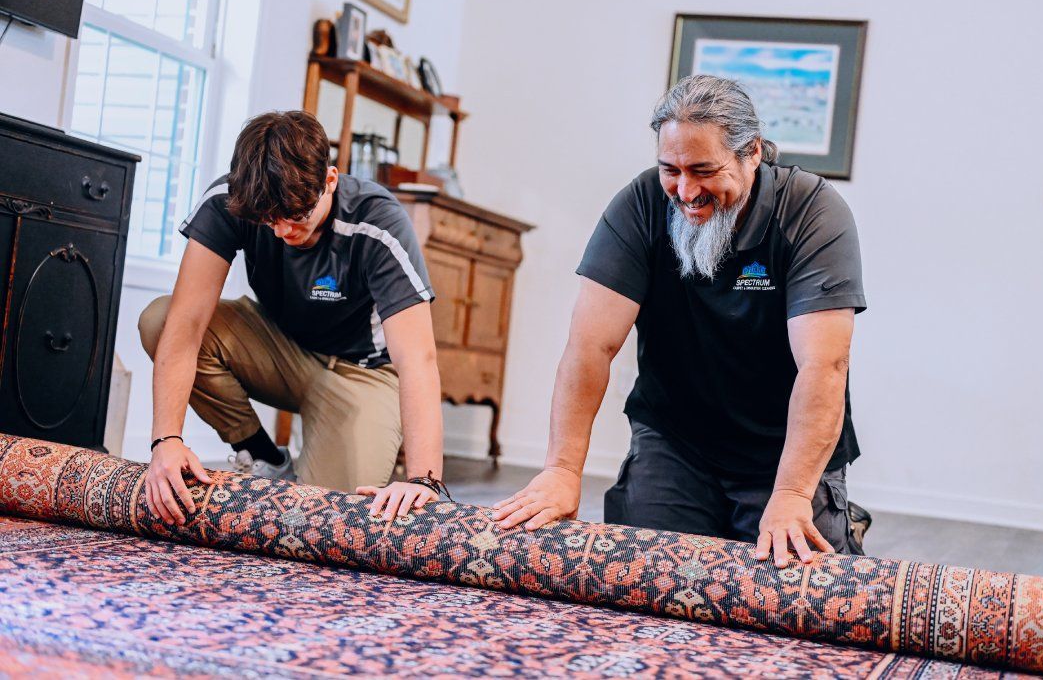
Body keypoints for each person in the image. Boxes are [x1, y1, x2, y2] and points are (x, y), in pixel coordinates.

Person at [493, 75, 868, 567]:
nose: (685, 190)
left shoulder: (812, 212)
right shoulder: (643, 203)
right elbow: (590, 345)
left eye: (704, 169)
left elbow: (824, 365)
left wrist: (794, 493)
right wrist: (562, 470)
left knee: (799, 588)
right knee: (642, 572)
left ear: (752, 152)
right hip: (676, 438)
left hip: (784, 448)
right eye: (671, 169)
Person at [138, 110, 445, 526]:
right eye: (269, 221)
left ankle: (334, 454)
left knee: (326, 522)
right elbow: (185, 325)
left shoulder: (377, 223)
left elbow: (418, 359)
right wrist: (165, 441)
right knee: (159, 319)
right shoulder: (232, 201)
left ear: (330, 181)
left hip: (361, 374)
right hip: (278, 348)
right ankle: (265, 457)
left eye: (297, 216)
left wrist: (425, 480)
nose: (283, 232)